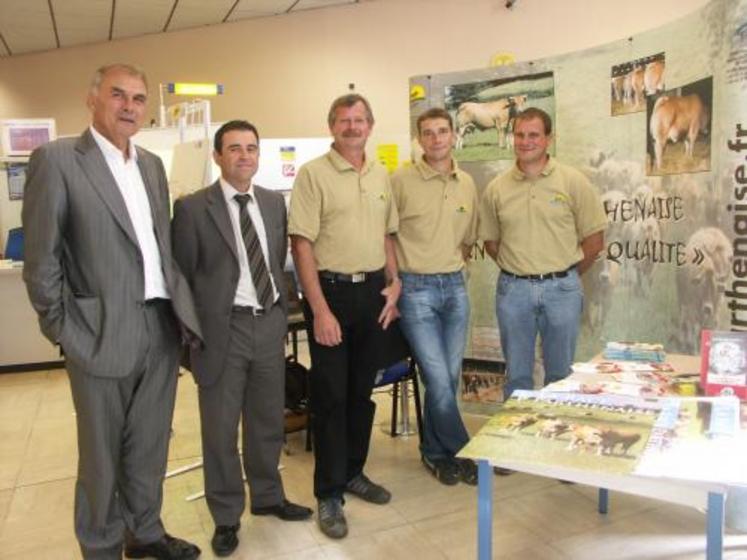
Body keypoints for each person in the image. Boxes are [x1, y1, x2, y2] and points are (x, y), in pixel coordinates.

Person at [22, 64, 202, 560]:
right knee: (101, 457)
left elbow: (159, 247)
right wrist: (66, 332)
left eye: (139, 98)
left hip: (158, 328)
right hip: (98, 334)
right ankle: (100, 545)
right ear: (92, 99)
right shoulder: (57, 160)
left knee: (149, 447)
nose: (129, 106)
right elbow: (41, 263)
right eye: (117, 95)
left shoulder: (150, 166)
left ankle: (144, 534)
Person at [171, 120, 312, 557]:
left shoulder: (272, 203)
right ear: (217, 155)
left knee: (267, 420)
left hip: (269, 324)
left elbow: (272, 262)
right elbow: (181, 279)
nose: (244, 156)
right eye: (234, 148)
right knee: (220, 429)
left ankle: (268, 497)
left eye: (251, 148)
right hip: (222, 330)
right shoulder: (194, 208)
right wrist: (190, 342)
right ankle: (226, 516)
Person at [288, 93, 400, 539]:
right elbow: (302, 245)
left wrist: (395, 284)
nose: (352, 127)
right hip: (331, 293)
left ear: (370, 126)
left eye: (359, 120)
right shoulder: (313, 175)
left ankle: (354, 471)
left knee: (361, 392)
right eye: (343, 120)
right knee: (331, 397)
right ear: (331, 125)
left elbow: (387, 235)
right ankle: (329, 493)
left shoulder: (379, 174)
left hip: (374, 293)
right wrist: (318, 310)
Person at [479, 107, 606, 403]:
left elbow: (595, 240)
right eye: (519, 135)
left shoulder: (573, 181)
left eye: (534, 135)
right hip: (514, 292)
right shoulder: (497, 189)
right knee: (518, 376)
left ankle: (554, 442)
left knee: (560, 376)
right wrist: (520, 268)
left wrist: (566, 276)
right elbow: (491, 242)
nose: (525, 141)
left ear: (549, 138)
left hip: (562, 290)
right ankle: (515, 444)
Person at [390, 108, 479, 486]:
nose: (436, 139)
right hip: (416, 290)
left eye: (443, 131)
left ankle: (434, 451)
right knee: (438, 378)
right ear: (419, 138)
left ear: (454, 135)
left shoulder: (467, 183)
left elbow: (469, 237)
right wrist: (395, 282)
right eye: (428, 133)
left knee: (449, 376)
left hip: (455, 288)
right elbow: (387, 236)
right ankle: (462, 449)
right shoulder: (400, 180)